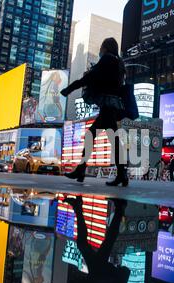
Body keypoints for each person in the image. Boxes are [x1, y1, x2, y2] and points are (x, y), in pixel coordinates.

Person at [60, 38, 127, 186]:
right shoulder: (118, 62)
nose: (99, 50)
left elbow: (89, 78)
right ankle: (119, 174)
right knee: (110, 138)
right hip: (112, 106)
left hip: (108, 106)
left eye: (101, 47)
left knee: (102, 137)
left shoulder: (107, 60)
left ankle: (82, 170)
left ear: (105, 48)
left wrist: (69, 88)